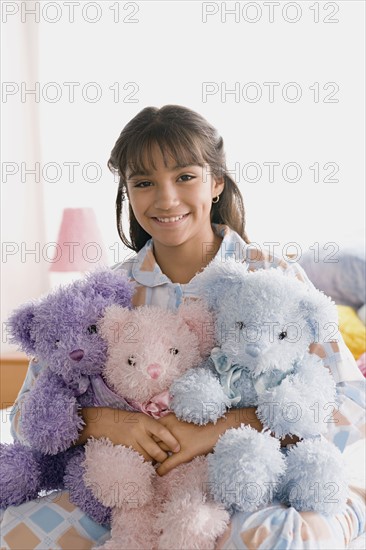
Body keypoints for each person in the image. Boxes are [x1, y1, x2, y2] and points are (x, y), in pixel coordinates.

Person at [1, 105, 365, 549]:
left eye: (184, 176)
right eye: (144, 182)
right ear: (128, 194)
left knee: (281, 540)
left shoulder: (272, 279)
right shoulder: (105, 293)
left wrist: (222, 427)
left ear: (216, 182)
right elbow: (24, 416)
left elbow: (349, 404)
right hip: (127, 492)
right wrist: (106, 423)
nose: (166, 198)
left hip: (247, 480)